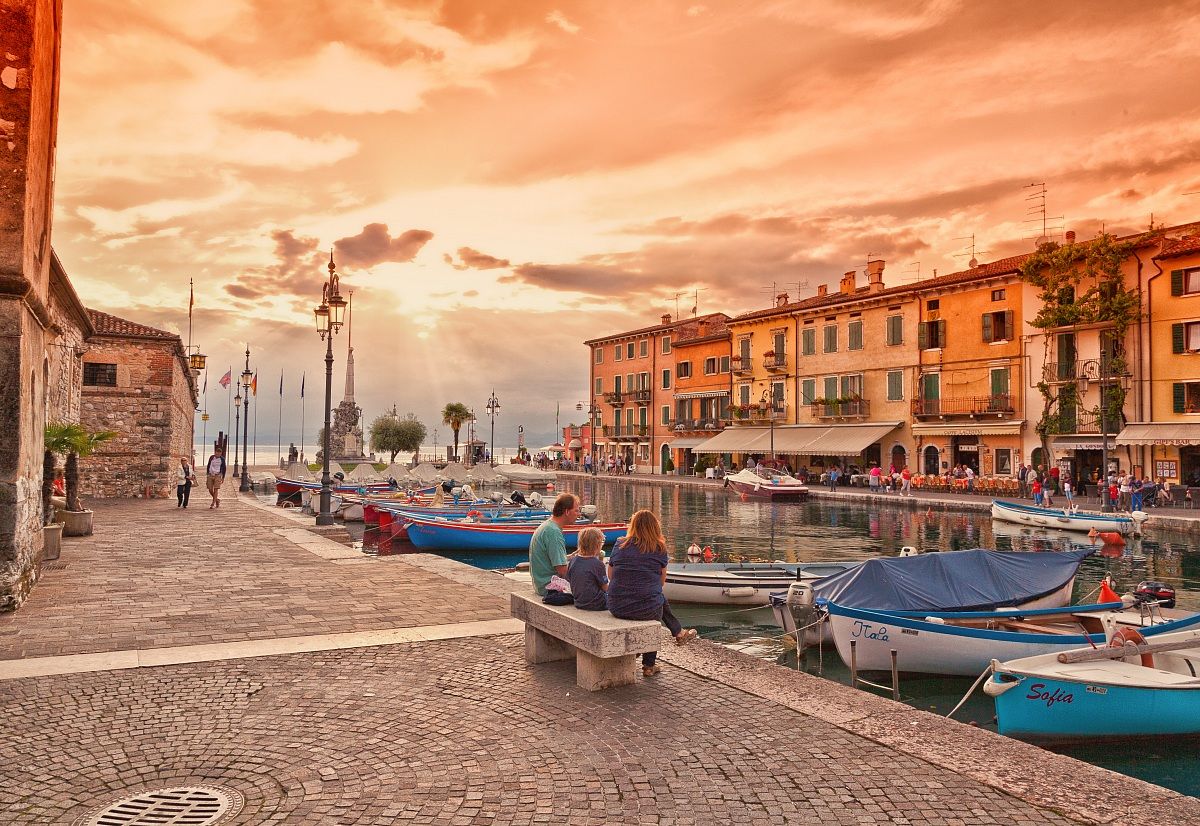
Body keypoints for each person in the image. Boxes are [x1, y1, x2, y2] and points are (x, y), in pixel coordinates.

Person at [607, 509, 697, 677]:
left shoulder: (620, 543)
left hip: (616, 605)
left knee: (656, 597)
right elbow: (661, 583)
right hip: (646, 608)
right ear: (655, 527)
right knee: (656, 599)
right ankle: (649, 664)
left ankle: (677, 632)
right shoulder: (659, 548)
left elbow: (611, 576)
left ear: (632, 526)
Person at [529, 493, 580, 596]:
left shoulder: (548, 526)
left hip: (540, 584)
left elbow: (550, 560)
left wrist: (572, 557)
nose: (579, 514)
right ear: (566, 511)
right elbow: (562, 571)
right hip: (549, 587)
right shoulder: (553, 532)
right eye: (576, 510)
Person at [567, 527, 609, 611]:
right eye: (602, 542)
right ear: (597, 544)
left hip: (579, 601)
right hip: (597, 603)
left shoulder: (573, 560)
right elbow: (605, 587)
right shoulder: (598, 564)